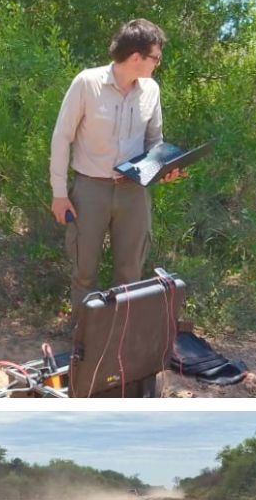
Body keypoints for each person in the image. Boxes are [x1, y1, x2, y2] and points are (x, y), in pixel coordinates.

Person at [49, 19, 183, 326]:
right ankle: (84, 339)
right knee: (84, 270)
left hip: (134, 191)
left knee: (130, 272)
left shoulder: (151, 90)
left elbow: (155, 142)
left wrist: (165, 168)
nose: (158, 64)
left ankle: (121, 341)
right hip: (90, 189)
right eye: (156, 57)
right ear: (136, 56)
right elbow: (62, 137)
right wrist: (59, 194)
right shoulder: (87, 83)